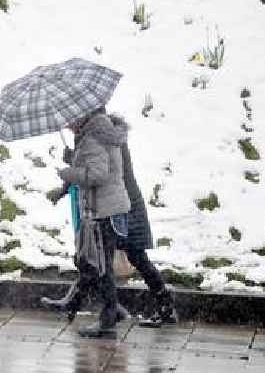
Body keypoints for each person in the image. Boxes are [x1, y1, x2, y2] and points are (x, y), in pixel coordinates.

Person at [45, 114, 178, 329]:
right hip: (120, 201)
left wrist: (74, 163)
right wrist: (74, 166)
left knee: (124, 259)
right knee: (98, 259)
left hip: (124, 204)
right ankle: (83, 304)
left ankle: (159, 307)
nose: (68, 126)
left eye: (72, 120)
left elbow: (106, 173)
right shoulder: (105, 134)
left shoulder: (102, 137)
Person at [46, 107, 131, 338]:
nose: (67, 125)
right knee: (97, 265)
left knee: (101, 267)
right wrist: (74, 159)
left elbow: (97, 175)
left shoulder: (92, 138)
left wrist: (68, 173)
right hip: (108, 208)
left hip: (104, 209)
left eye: (70, 120)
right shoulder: (99, 133)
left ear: (81, 116)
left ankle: (108, 321)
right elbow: (99, 166)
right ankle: (112, 311)